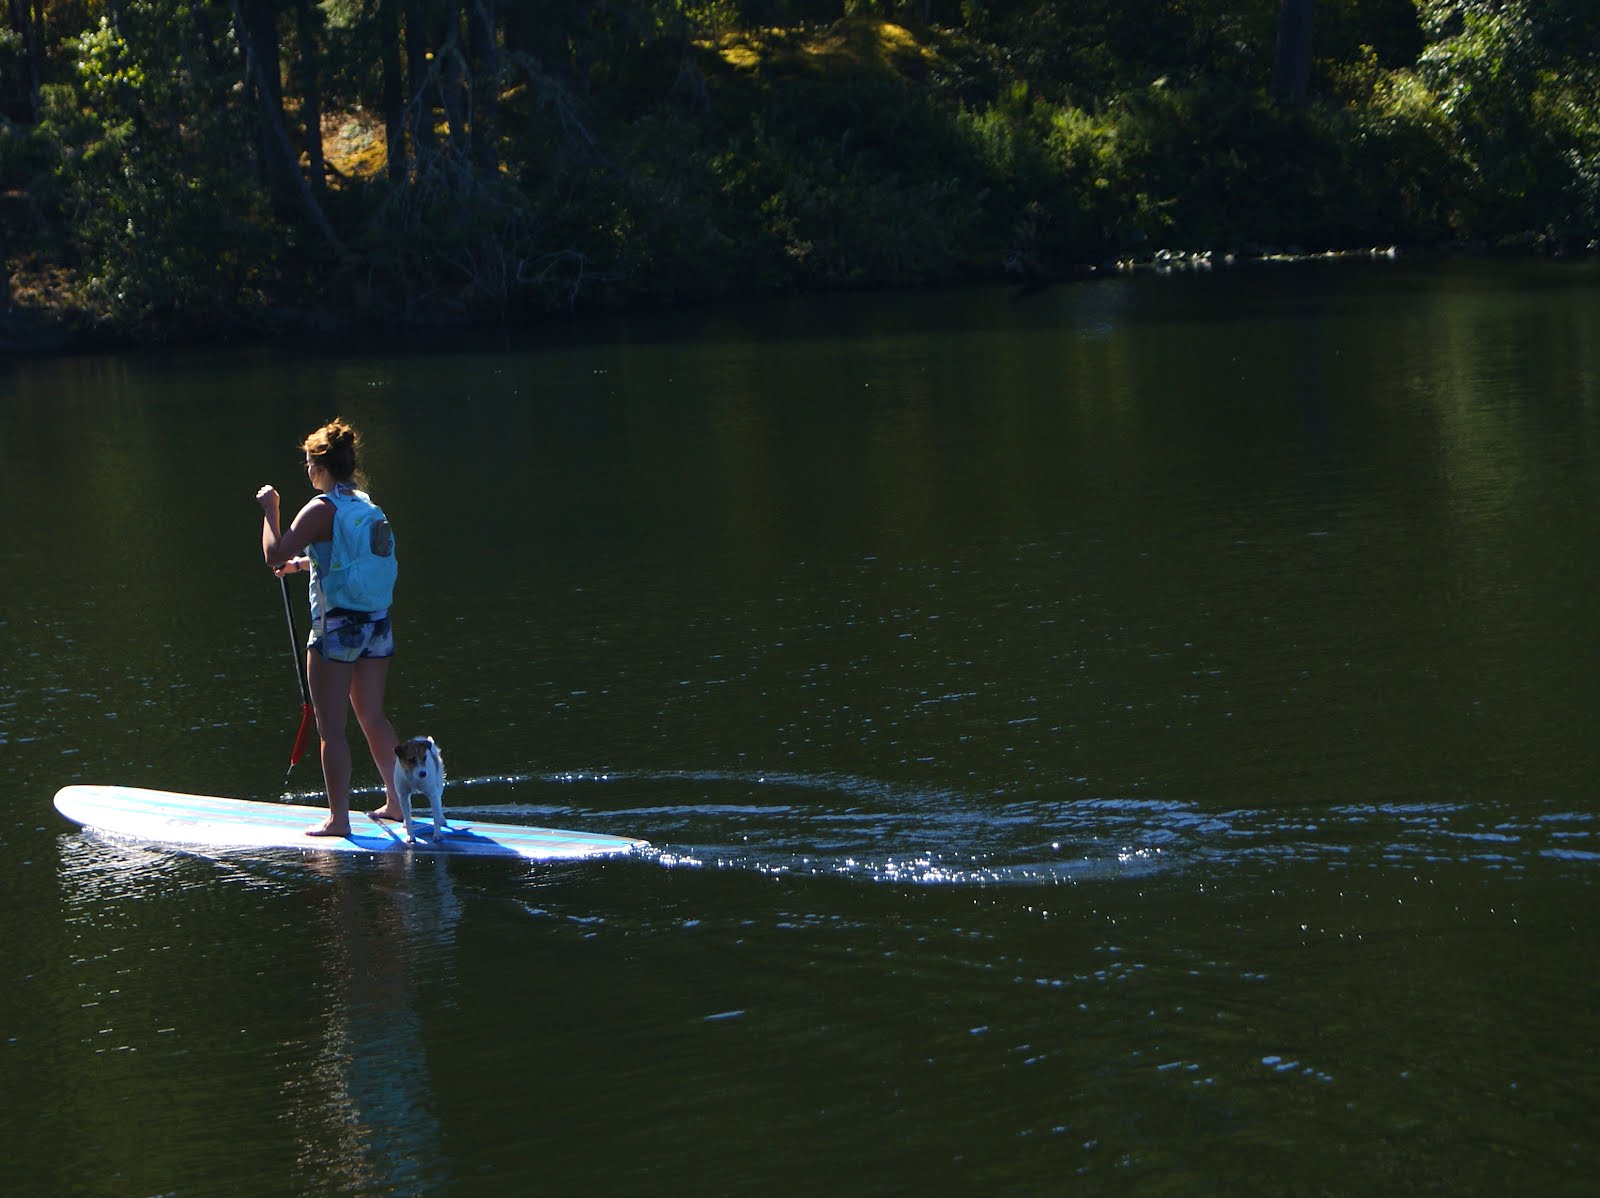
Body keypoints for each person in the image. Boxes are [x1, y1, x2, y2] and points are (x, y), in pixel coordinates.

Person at [257, 419, 405, 836]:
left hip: (336, 630)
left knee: (332, 730)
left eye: (308, 463)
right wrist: (303, 565)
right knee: (373, 716)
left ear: (321, 467)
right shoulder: (363, 504)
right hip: (377, 625)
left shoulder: (320, 508)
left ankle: (339, 820)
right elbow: (347, 560)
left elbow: (272, 553)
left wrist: (271, 511)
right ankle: (396, 803)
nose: (307, 471)